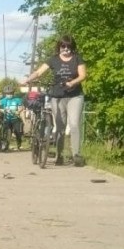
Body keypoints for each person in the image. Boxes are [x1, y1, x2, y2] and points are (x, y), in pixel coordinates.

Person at [23, 34, 87, 166]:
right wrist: (28, 79)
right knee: (60, 127)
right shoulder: (53, 59)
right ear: (59, 47)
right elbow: (39, 72)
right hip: (57, 96)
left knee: (74, 124)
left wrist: (72, 83)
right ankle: (59, 155)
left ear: (72, 47)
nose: (66, 49)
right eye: (63, 46)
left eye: (69, 46)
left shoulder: (77, 59)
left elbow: (83, 75)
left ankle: (76, 155)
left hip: (75, 95)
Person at [0, 85, 25, 150]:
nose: (9, 95)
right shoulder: (3, 100)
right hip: (6, 118)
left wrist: (18, 111)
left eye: (10, 93)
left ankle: (19, 144)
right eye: (7, 94)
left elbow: (21, 107)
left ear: (13, 93)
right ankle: (4, 144)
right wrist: (1, 110)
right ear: (5, 94)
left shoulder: (17, 99)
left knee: (17, 132)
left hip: (15, 118)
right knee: (4, 131)